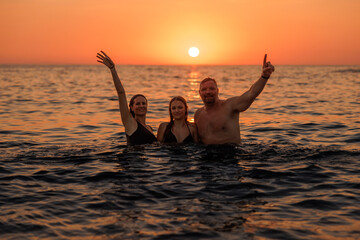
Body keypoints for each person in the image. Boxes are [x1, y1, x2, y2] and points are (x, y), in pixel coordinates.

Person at [194, 54, 275, 144]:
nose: (208, 92)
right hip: (205, 156)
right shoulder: (198, 115)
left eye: (211, 88)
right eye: (204, 89)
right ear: (199, 93)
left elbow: (251, 94)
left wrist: (264, 76)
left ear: (217, 91)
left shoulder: (229, 106)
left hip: (231, 154)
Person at [96, 51, 157, 146]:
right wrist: (113, 69)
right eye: (137, 104)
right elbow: (121, 93)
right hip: (133, 160)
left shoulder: (149, 128)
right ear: (131, 107)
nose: (141, 106)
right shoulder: (130, 123)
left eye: (144, 103)